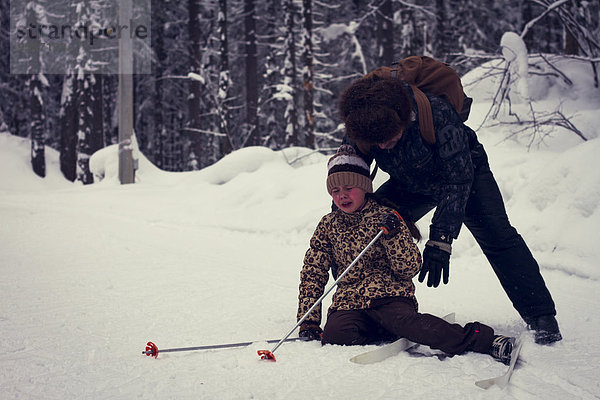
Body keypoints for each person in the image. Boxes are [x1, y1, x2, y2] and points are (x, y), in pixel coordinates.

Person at [337, 73, 562, 345]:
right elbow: (347, 177)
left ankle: (541, 316)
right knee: (367, 228)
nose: (382, 146)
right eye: (377, 143)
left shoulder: (436, 113)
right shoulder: (361, 127)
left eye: (389, 139)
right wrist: (344, 228)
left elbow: (457, 179)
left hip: (467, 174)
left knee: (498, 238)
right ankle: (373, 307)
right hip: (408, 183)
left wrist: (440, 240)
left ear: (404, 119)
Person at [297, 145, 516, 364]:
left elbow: (409, 267)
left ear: (364, 187)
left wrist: (393, 237)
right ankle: (384, 329)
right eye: (335, 191)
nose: (342, 195)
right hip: (350, 301)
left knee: (413, 325)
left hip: (389, 297)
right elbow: (313, 272)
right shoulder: (328, 224)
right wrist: (308, 321)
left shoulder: (387, 217)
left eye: (348, 187)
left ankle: (484, 340)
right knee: (336, 335)